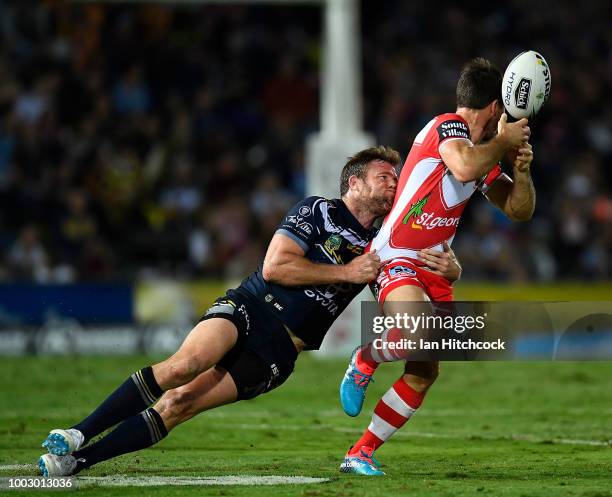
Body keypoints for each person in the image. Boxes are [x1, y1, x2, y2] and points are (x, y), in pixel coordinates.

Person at [37, 146, 463, 477]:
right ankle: (79, 432)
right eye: (384, 176)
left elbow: (419, 273)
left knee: (180, 404)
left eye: (396, 178)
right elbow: (275, 266)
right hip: (253, 306)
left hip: (281, 352)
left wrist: (452, 266)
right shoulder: (319, 211)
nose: (395, 184)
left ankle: (77, 463)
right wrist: (348, 270)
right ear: (354, 182)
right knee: (186, 365)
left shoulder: (386, 242)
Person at [338, 58, 535, 476]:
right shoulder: (448, 126)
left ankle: (360, 453)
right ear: (497, 108)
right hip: (397, 258)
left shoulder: (483, 157)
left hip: (437, 266)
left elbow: (519, 210)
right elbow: (462, 164)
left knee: (425, 371)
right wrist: (503, 143)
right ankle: (366, 357)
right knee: (420, 334)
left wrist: (522, 169)